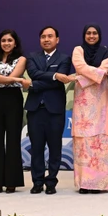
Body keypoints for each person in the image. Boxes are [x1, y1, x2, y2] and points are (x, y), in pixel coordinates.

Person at [25, 26, 72, 195]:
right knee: (36, 147)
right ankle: (37, 181)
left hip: (55, 110)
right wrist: (54, 75)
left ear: (57, 39)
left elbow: (59, 81)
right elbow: (33, 73)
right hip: (35, 109)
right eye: (43, 36)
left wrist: (34, 84)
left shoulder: (65, 58)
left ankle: (51, 181)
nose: (46, 39)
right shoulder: (31, 57)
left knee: (55, 147)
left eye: (50, 36)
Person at [71, 25, 108, 193]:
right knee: (83, 141)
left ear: (99, 35)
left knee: (100, 140)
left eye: (94, 33)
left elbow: (104, 71)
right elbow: (80, 66)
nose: (91, 36)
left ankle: (99, 184)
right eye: (88, 33)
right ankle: (84, 183)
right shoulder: (78, 50)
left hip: (100, 102)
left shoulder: (106, 52)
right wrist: (94, 75)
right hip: (82, 102)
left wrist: (81, 79)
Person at [0, 29, 27, 194]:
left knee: (12, 140)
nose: (6, 43)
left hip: (13, 99)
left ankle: (12, 181)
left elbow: (11, 75)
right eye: (3, 40)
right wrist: (15, 80)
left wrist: (11, 78)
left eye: (10, 40)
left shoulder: (21, 59)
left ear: (15, 43)